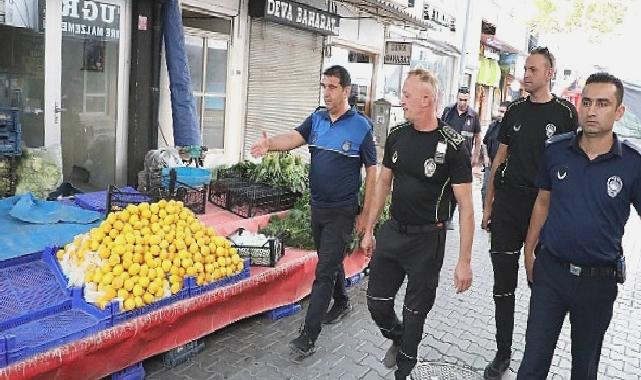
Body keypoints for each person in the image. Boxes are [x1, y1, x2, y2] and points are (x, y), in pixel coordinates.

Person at [518, 73, 641, 379]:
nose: (592, 111)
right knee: (533, 363)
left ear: (619, 111)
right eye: (586, 102)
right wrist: (529, 251)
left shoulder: (633, 164)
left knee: (584, 369)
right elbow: (542, 202)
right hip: (552, 273)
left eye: (603, 103)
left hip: (598, 283)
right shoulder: (556, 150)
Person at [250, 65, 377, 361]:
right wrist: (269, 145)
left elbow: (373, 173)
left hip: (343, 212)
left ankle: (308, 336)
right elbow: (294, 138)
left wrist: (366, 216)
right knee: (328, 261)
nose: (327, 92)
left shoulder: (362, 127)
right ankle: (343, 301)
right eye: (325, 86)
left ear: (346, 91)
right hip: (318, 208)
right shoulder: (318, 119)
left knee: (323, 273)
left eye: (333, 87)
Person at [361, 68, 474, 380]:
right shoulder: (397, 136)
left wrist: (464, 261)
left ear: (427, 100)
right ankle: (398, 338)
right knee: (377, 303)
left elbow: (466, 208)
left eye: (408, 95)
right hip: (394, 232)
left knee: (415, 314)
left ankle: (405, 368)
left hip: (428, 242)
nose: (402, 100)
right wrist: (370, 228)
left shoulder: (453, 145)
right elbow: (384, 183)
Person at [481, 47, 579, 380]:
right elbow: (498, 160)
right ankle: (503, 352)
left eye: (533, 69)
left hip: (546, 210)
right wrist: (488, 204)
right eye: (525, 68)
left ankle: (534, 358)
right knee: (503, 286)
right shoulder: (516, 111)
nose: (526, 74)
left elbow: (574, 166)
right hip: (508, 207)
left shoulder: (566, 113)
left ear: (550, 73)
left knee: (542, 287)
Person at [442, 87, 482, 166]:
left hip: (464, 157)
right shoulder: (448, 112)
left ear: (469, 99)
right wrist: (439, 155)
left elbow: (478, 137)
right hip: (447, 156)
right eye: (460, 99)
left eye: (465, 100)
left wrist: (475, 156)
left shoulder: (474, 115)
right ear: (457, 98)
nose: (463, 102)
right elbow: (441, 133)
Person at [481, 102, 509, 208]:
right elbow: (484, 143)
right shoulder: (493, 126)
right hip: (490, 164)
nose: (500, 114)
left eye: (503, 112)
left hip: (502, 167)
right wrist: (486, 157)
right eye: (499, 111)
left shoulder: (510, 129)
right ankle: (486, 214)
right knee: (485, 190)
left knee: (499, 194)